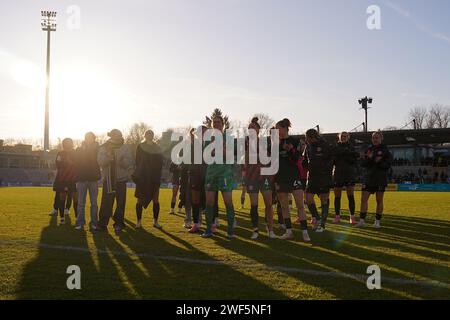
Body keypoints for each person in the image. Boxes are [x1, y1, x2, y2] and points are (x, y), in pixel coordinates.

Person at [274, 119, 310, 241]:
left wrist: (290, 150)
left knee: (300, 205)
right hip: (280, 177)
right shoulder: (274, 142)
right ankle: (289, 231)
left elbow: (297, 160)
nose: (276, 130)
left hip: (294, 177)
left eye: (277, 128)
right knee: (284, 207)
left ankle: (305, 232)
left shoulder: (295, 141)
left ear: (284, 128)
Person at [202, 115, 236, 239]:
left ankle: (230, 231)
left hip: (225, 174)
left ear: (222, 124)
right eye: (214, 122)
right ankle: (208, 230)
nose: (216, 124)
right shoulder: (208, 139)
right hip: (211, 174)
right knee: (209, 203)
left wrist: (219, 150)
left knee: (228, 203)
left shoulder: (229, 138)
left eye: (218, 122)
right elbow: (207, 156)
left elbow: (230, 156)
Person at [244, 117, 277, 239]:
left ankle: (271, 230)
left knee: (268, 204)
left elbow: (270, 158)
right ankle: (255, 230)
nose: (251, 130)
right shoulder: (245, 143)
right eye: (249, 128)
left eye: (254, 128)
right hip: (251, 178)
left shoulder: (265, 142)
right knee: (254, 205)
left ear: (258, 130)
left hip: (265, 178)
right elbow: (245, 161)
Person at [97, 129, 134, 235]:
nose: (119, 137)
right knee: (106, 203)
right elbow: (99, 161)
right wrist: (108, 159)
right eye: (116, 135)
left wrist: (123, 162)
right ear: (112, 136)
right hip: (108, 180)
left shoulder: (125, 147)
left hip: (121, 179)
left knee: (121, 203)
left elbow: (130, 162)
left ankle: (118, 223)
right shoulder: (104, 146)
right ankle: (103, 223)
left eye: (120, 135)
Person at [356, 131, 392, 228]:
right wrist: (367, 159)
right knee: (363, 199)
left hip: (380, 178)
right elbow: (363, 163)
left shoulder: (385, 150)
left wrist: (378, 162)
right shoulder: (369, 149)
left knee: (379, 200)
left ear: (381, 139)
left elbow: (388, 164)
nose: (375, 139)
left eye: (377, 138)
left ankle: (377, 222)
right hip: (368, 178)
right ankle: (362, 221)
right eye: (373, 138)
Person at [303, 128, 333, 233]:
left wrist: (325, 170)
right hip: (311, 177)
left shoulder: (325, 145)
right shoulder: (308, 147)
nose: (306, 139)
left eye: (306, 137)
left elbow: (331, 160)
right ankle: (317, 218)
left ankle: (322, 225)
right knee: (308, 198)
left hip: (323, 177)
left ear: (312, 137)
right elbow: (305, 160)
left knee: (324, 200)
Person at [132, 130, 164, 229]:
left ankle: (155, 221)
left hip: (154, 177)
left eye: (151, 134)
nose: (150, 135)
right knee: (139, 200)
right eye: (148, 134)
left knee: (156, 199)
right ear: (145, 135)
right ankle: (139, 222)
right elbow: (137, 161)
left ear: (153, 136)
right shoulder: (140, 146)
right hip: (142, 177)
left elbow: (160, 163)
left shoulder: (157, 148)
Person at [74, 132, 101, 230]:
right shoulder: (79, 149)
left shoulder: (98, 149)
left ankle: (94, 223)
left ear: (94, 139)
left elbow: (99, 160)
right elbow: (76, 161)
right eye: (87, 138)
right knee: (81, 203)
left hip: (93, 179)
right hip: (81, 179)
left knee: (94, 203)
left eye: (91, 138)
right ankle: (80, 223)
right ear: (85, 139)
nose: (89, 139)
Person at [332, 132, 359, 225]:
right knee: (337, 196)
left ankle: (352, 217)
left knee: (350, 196)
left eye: (345, 136)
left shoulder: (352, 147)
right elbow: (333, 159)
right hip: (338, 173)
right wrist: (344, 153)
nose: (343, 137)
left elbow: (355, 158)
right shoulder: (335, 147)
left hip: (349, 174)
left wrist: (347, 154)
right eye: (342, 136)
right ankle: (337, 216)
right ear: (339, 137)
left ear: (348, 137)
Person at [53, 138, 78, 225]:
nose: (67, 145)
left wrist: (71, 162)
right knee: (62, 198)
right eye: (65, 144)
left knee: (75, 198)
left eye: (69, 143)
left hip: (74, 179)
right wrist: (65, 162)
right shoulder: (60, 153)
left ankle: (77, 218)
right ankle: (62, 217)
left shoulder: (76, 153)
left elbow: (79, 163)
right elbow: (57, 164)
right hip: (62, 179)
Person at [188, 126, 208, 233]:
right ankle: (195, 224)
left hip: (207, 175)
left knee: (208, 200)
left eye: (205, 132)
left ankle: (211, 224)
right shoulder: (193, 144)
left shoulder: (210, 144)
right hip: (195, 174)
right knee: (195, 200)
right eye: (200, 132)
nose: (203, 133)